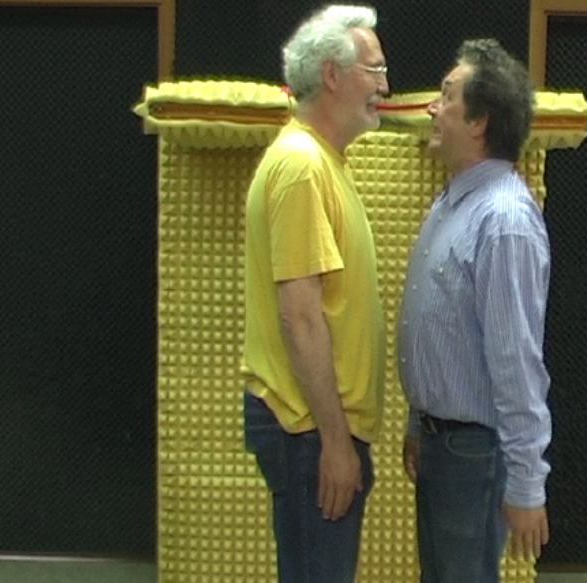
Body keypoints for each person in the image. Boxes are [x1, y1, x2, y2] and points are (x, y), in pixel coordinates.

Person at [240, 4, 389, 583]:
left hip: (317, 431)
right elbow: (300, 317)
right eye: (375, 70)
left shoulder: (323, 163)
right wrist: (334, 441)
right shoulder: (302, 167)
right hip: (309, 433)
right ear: (332, 74)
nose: (384, 86)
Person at [398, 39, 552, 583]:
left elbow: (516, 361)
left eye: (446, 96)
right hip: (444, 444)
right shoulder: (452, 202)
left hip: (474, 452)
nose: (432, 108)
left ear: (479, 121)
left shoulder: (503, 221)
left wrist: (527, 484)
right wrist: (419, 422)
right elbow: (440, 333)